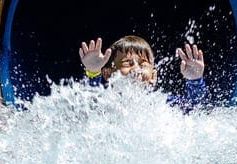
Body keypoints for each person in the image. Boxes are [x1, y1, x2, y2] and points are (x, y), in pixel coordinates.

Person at [78, 35, 207, 109]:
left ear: (153, 76)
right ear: (107, 73)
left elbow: (195, 107)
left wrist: (195, 80)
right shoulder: (104, 101)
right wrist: (93, 71)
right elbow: (89, 100)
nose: (136, 69)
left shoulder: (161, 105)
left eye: (142, 64)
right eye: (127, 63)